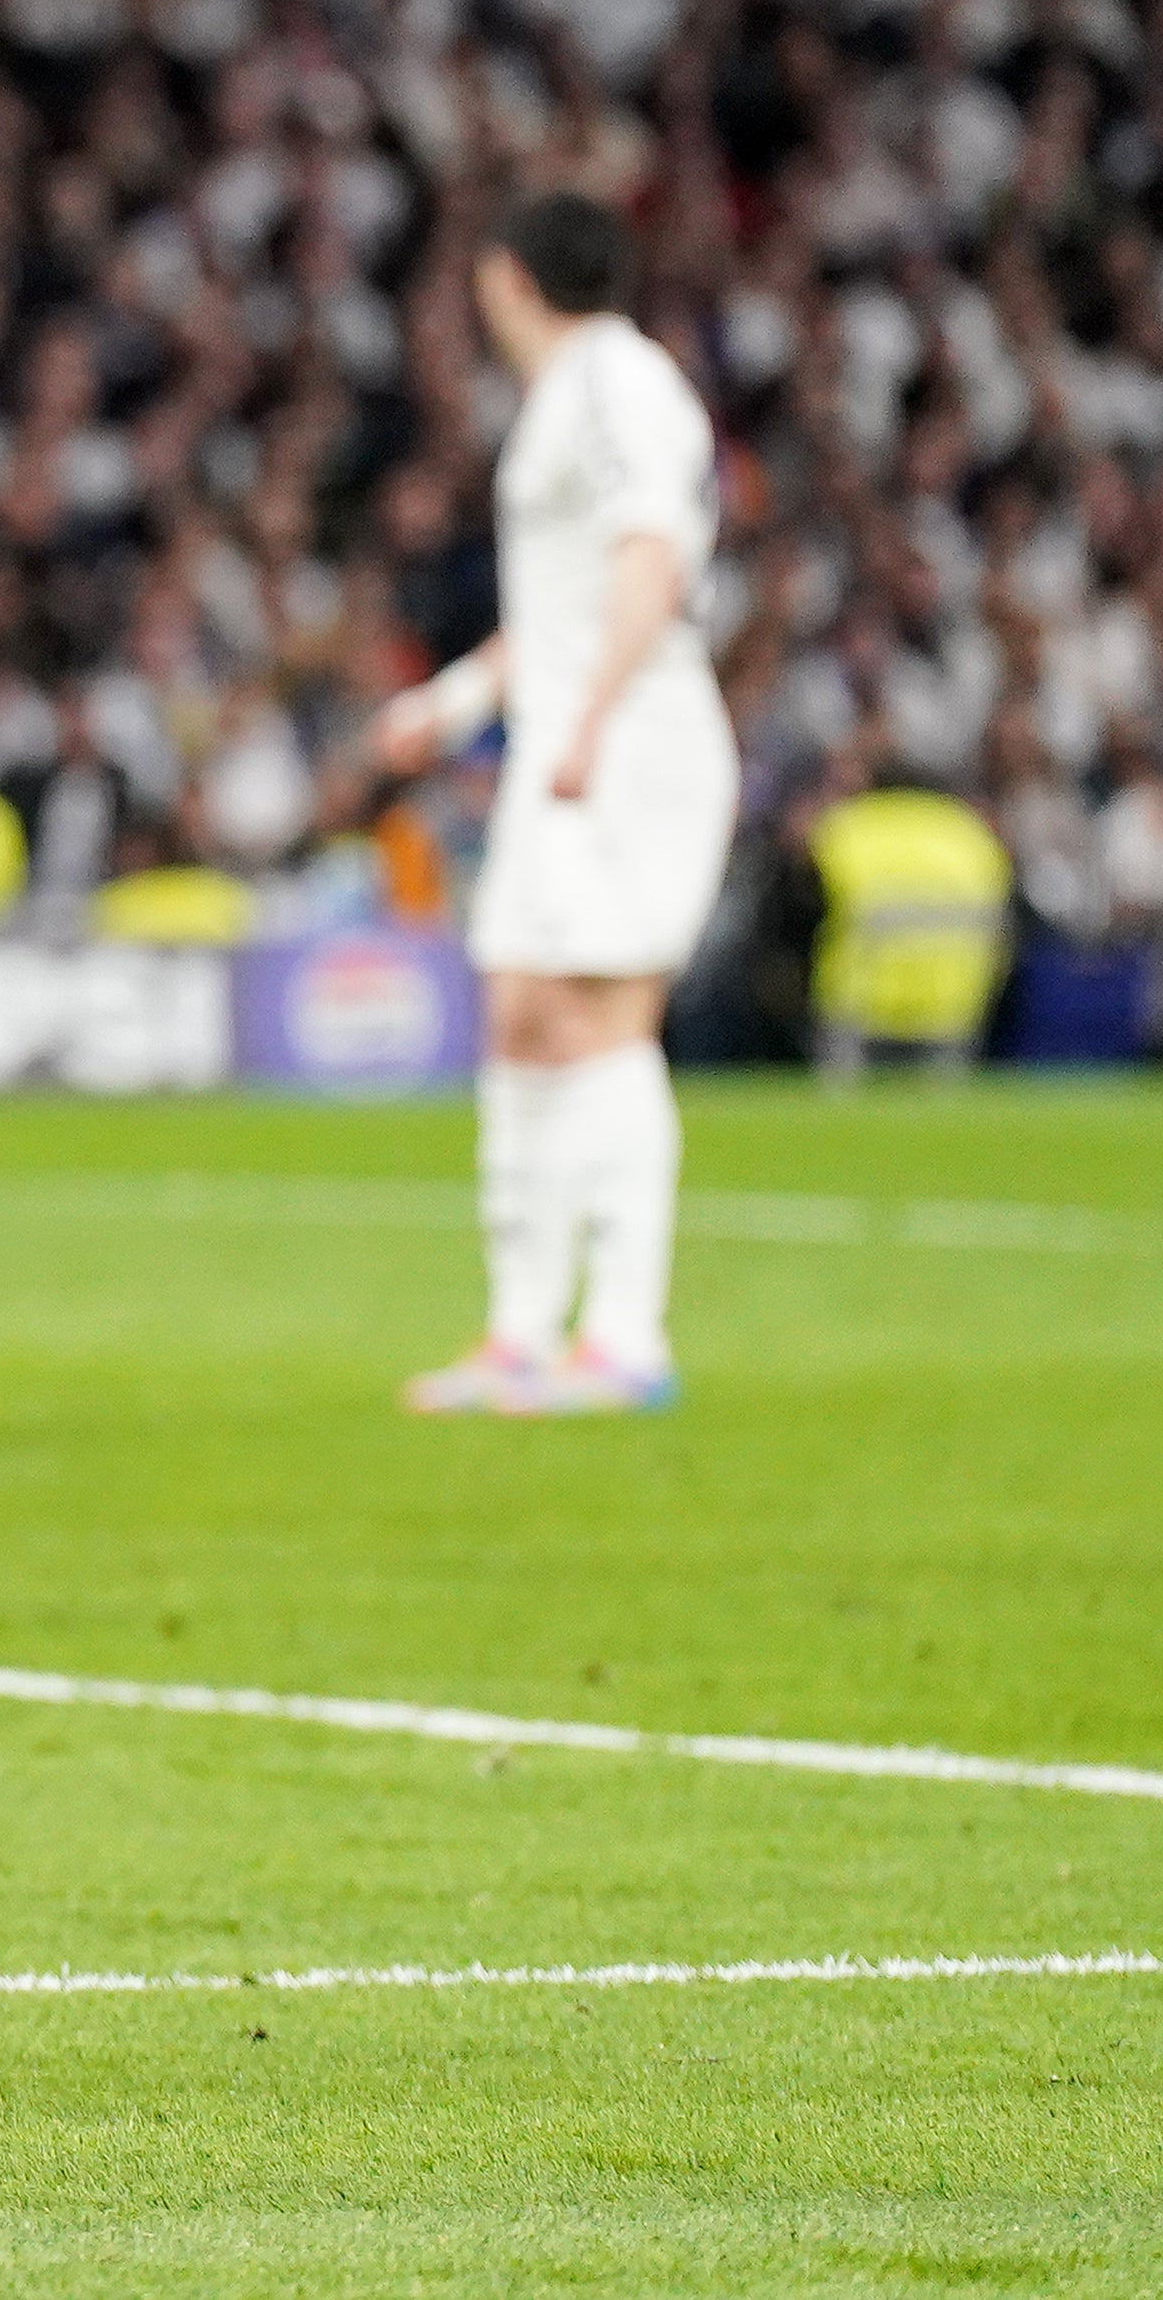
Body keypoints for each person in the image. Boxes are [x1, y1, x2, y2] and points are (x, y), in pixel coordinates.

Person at [376, 193, 735, 1416]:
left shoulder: (625, 385)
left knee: (604, 1016)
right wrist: (458, 701)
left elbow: (650, 558)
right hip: (570, 732)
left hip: (633, 735)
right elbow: (569, 603)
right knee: (522, 1013)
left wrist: (591, 720)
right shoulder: (566, 395)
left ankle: (625, 1339)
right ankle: (520, 1332)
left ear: (508, 278)